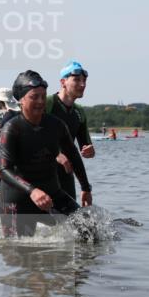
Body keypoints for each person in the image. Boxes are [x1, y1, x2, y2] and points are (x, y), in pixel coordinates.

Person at [0, 70, 92, 237]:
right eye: (34, 97)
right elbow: (5, 170)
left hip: (52, 193)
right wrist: (32, 191)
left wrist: (85, 187)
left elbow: (74, 156)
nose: (41, 102)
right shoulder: (11, 129)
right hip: (17, 200)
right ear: (21, 100)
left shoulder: (56, 125)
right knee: (19, 251)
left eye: (43, 96)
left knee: (90, 231)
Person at [47, 60, 95, 200]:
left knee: (69, 220)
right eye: (77, 80)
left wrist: (86, 188)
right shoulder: (47, 103)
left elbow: (80, 151)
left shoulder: (79, 112)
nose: (83, 84)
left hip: (66, 174)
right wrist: (55, 154)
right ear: (63, 82)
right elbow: (29, 137)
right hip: (42, 173)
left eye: (84, 80)